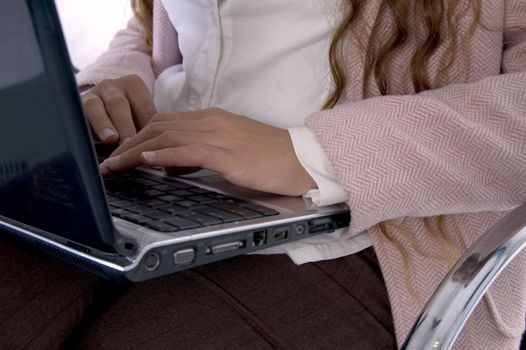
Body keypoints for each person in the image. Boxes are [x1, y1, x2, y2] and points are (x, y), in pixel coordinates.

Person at [0, 0, 525, 348]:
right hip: (149, 180)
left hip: (382, 236)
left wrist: (310, 154)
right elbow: (153, 30)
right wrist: (110, 84)